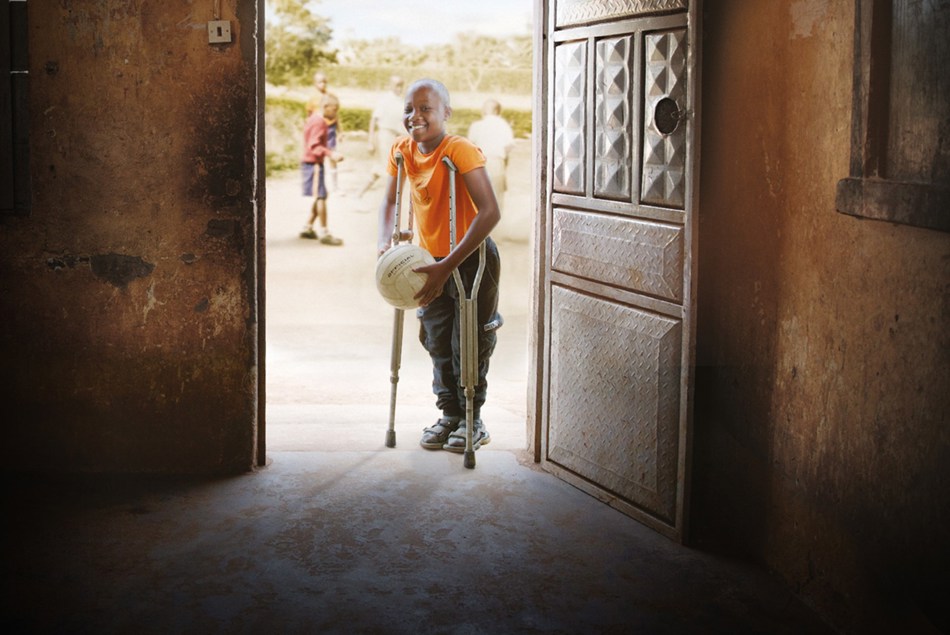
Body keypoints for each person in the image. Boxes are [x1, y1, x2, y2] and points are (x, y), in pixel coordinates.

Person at [376, 78, 503, 453]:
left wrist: (448, 265)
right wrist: (385, 240)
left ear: (446, 112)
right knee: (436, 338)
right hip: (428, 260)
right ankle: (449, 414)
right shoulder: (401, 150)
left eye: (425, 109)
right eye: (409, 109)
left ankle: (472, 419)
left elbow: (490, 212)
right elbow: (389, 202)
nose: (415, 116)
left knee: (470, 340)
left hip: (470, 257)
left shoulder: (459, 149)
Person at [300, 93, 344, 245]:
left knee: (321, 194)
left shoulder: (314, 118)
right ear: (325, 107)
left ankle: (308, 227)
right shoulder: (319, 122)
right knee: (321, 196)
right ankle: (325, 232)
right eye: (334, 109)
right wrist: (331, 154)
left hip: (313, 162)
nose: (335, 113)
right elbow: (314, 145)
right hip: (313, 163)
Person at [360, 75, 406, 197]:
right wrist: (370, 141)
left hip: (396, 137)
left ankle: (360, 193)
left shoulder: (401, 102)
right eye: (397, 85)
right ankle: (390, 200)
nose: (399, 88)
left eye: (401, 85)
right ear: (390, 86)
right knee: (391, 167)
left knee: (381, 168)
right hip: (384, 136)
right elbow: (373, 120)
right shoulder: (385, 100)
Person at [467, 98, 515, 209]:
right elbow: (509, 145)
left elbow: (470, 146)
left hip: (479, 163)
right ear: (497, 111)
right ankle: (497, 219)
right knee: (497, 196)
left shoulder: (477, 126)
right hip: (496, 162)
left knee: (479, 196)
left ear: (485, 110)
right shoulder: (503, 125)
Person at [305, 71, 342, 193]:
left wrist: (340, 131)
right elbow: (309, 116)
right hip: (317, 130)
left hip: (330, 129)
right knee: (317, 156)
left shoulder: (331, 97)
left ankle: (335, 186)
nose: (323, 84)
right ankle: (317, 185)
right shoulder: (312, 99)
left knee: (332, 156)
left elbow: (336, 115)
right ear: (315, 83)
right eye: (320, 82)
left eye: (324, 82)